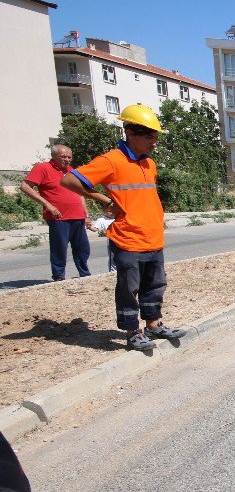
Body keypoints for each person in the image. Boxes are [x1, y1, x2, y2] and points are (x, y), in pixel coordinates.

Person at [60, 103, 185, 351]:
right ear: (130, 133)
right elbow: (69, 179)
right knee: (129, 289)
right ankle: (132, 332)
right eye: (149, 136)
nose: (154, 142)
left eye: (155, 137)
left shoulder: (149, 163)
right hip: (128, 238)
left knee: (155, 285)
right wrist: (104, 200)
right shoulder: (112, 161)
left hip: (152, 237)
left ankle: (153, 324)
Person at [20, 145, 92, 281]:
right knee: (59, 248)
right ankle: (59, 277)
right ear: (53, 156)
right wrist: (47, 204)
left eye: (69, 157)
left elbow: (80, 193)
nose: (67, 160)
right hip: (58, 216)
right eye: (63, 157)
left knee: (82, 248)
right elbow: (25, 186)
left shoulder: (72, 171)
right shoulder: (43, 168)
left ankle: (84, 274)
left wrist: (86, 215)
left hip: (78, 215)